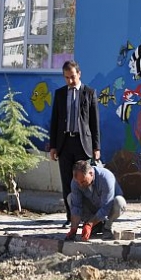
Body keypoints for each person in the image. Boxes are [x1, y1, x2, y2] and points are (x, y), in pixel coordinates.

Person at [49, 60, 100, 228]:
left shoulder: (89, 93)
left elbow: (94, 122)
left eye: (72, 77)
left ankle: (88, 216)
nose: (70, 81)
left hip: (82, 144)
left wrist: (96, 147)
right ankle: (71, 217)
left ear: (79, 74)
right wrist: (53, 146)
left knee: (83, 181)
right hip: (64, 143)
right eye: (66, 78)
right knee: (67, 181)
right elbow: (55, 121)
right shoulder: (60, 94)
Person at [65, 160, 126, 241]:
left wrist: (89, 225)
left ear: (91, 173)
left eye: (83, 181)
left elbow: (106, 207)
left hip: (108, 208)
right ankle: (95, 226)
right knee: (70, 198)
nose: (80, 185)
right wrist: (73, 229)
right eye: (78, 182)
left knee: (119, 202)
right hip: (92, 207)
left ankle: (106, 227)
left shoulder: (105, 177)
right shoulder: (76, 181)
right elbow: (76, 207)